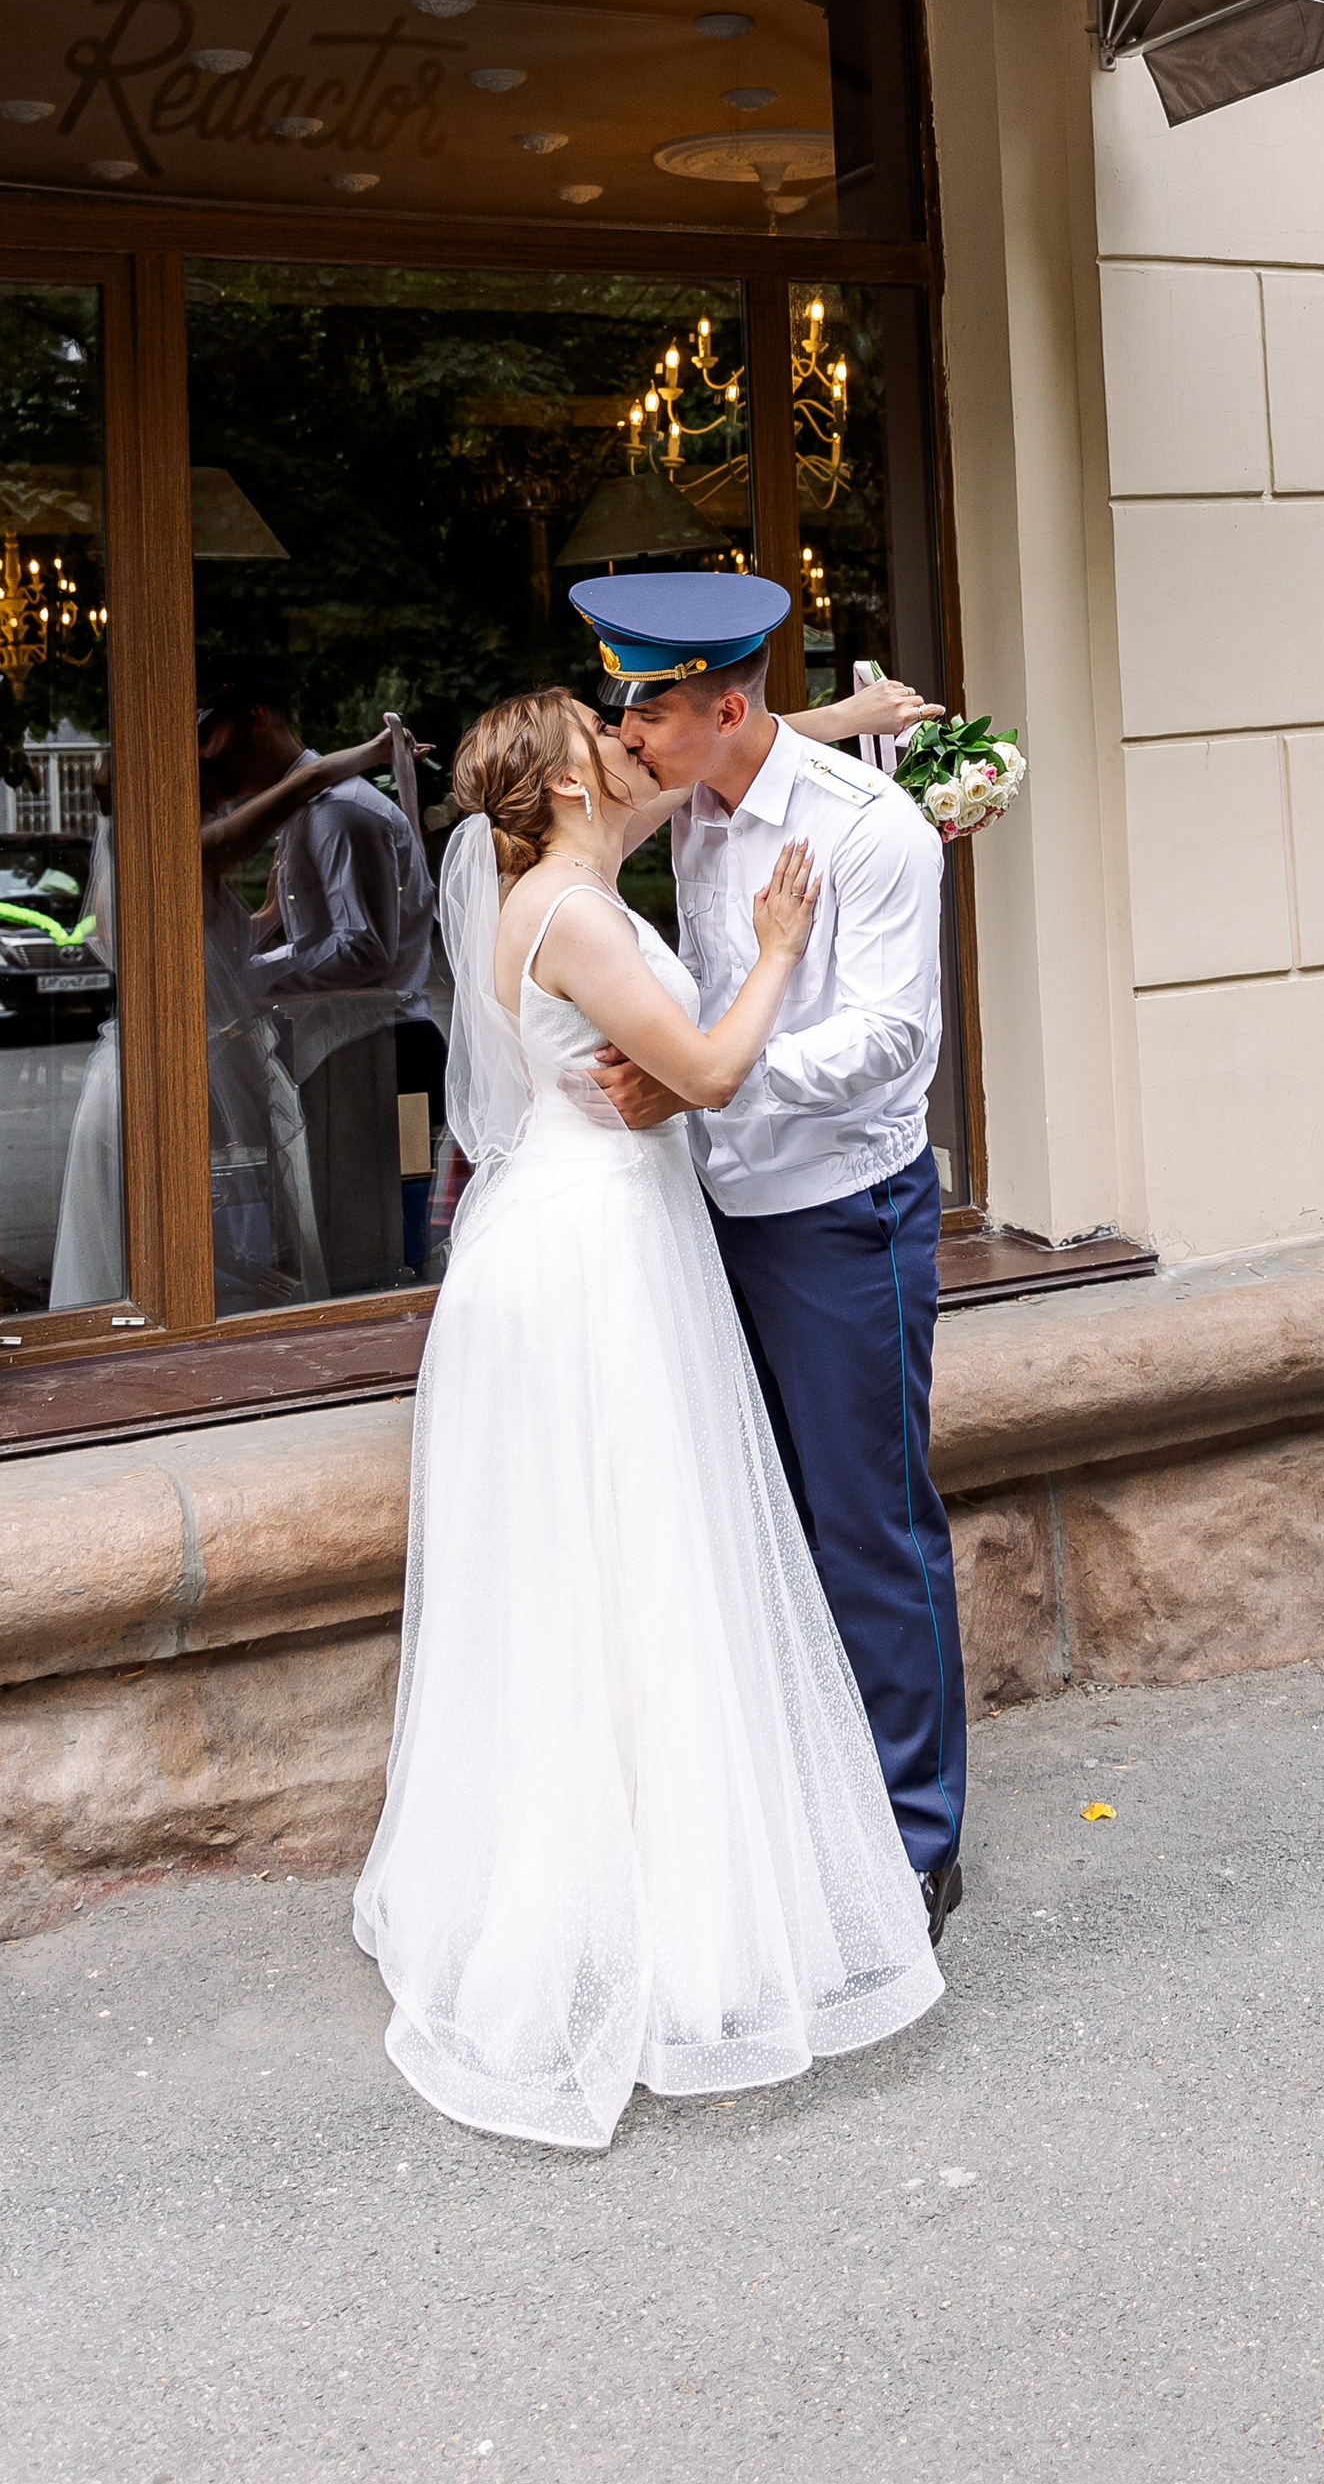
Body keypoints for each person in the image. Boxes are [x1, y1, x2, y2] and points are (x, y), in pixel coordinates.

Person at [353, 687, 943, 2147]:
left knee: (615, 1562)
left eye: (643, 719)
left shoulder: (552, 875)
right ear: (561, 779)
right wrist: (783, 953)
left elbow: (713, 742)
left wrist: (846, 708)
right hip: (600, 1253)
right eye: (601, 729)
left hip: (595, 1229)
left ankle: (675, 1854)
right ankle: (651, 1897)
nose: (632, 739)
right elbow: (713, 1071)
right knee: (639, 1557)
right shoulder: (575, 912)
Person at [571, 570, 966, 1952]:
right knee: (754, 1523)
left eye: (651, 708)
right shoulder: (688, 797)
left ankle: (917, 1841)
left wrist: (707, 1083)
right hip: (705, 1216)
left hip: (839, 1212)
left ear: (723, 705)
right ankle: (804, 1813)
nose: (629, 733)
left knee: (867, 1523)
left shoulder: (875, 832)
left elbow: (890, 1044)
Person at [201, 680, 437, 1297]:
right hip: (346, 1044)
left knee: (371, 1242)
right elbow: (324, 939)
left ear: (255, 716)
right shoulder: (314, 809)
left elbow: (362, 949)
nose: (206, 757)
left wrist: (250, 981)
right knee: (350, 1231)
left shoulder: (338, 811)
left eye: (209, 735)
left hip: (374, 1045)